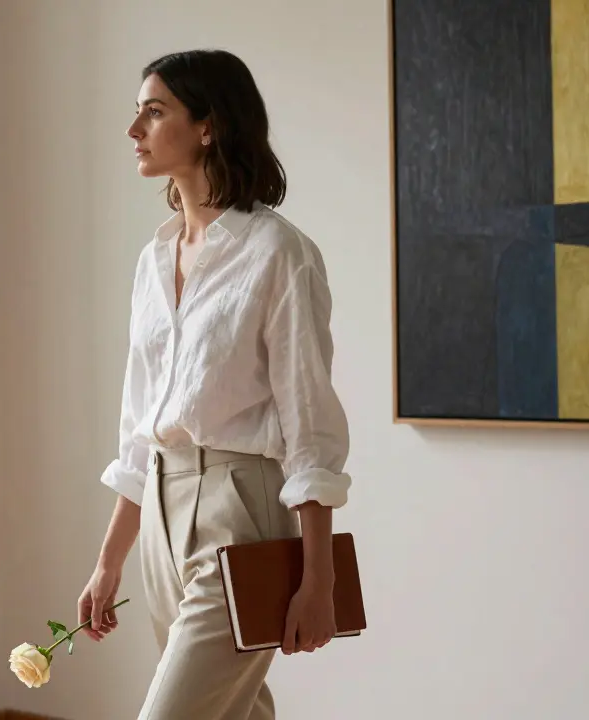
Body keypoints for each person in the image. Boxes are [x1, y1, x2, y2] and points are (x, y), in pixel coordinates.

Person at [77, 49, 353, 720]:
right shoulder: (154, 258)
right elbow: (141, 427)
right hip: (161, 525)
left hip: (242, 509)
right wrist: (109, 561)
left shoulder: (277, 254)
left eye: (154, 110)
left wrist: (320, 579)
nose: (134, 128)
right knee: (236, 713)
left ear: (207, 126)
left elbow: (308, 428)